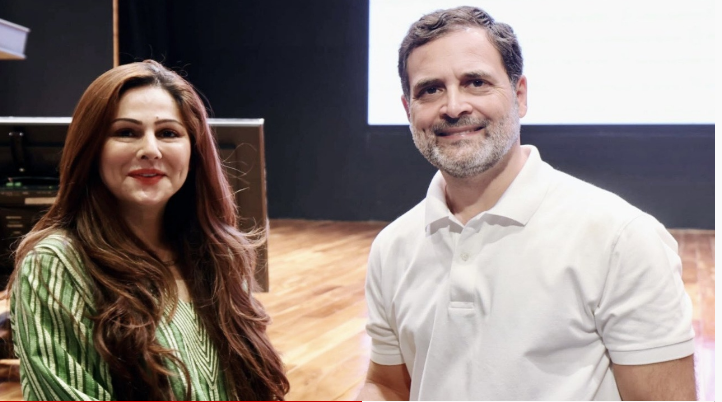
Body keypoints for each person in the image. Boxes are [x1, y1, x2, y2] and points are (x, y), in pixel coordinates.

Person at [359, 6, 696, 401]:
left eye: (476, 83)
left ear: (519, 96)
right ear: (408, 109)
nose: (453, 106)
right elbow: (386, 385)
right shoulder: (391, 247)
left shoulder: (621, 238)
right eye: (430, 90)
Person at [7, 60, 289, 400]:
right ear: (92, 148)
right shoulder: (55, 263)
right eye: (126, 132)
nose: (150, 150)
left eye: (168, 133)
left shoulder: (219, 255)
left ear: (194, 150)